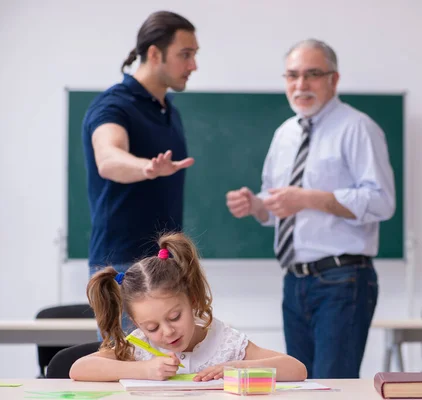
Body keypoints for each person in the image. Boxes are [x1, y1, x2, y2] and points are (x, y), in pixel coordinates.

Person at [225, 39, 395, 379]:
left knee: (332, 386)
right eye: (292, 75)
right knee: (298, 384)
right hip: (294, 281)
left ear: (334, 79)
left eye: (312, 74)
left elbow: (381, 201)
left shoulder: (357, 128)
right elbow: (278, 207)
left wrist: (308, 198)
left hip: (343, 279)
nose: (300, 85)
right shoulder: (285, 134)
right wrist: (258, 206)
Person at [81, 11, 198, 334]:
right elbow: (108, 157)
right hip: (124, 267)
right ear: (154, 53)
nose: (193, 66)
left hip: (166, 265)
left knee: (168, 373)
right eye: (185, 55)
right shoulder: (113, 105)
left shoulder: (168, 110)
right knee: (130, 372)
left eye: (194, 55)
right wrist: (145, 167)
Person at [70, 232, 307, 382]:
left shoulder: (223, 341)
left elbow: (296, 369)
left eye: (175, 316)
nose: (167, 332)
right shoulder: (140, 346)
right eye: (152, 327)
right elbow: (79, 369)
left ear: (193, 299)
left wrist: (236, 367)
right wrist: (144, 371)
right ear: (136, 323)